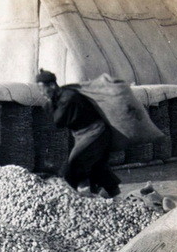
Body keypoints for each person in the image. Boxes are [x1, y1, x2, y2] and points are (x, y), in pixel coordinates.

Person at [36, 69, 121, 197]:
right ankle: (111, 191)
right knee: (95, 165)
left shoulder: (68, 98)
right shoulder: (60, 98)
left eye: (42, 89)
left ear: (52, 86)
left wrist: (50, 103)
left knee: (73, 165)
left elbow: (58, 121)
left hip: (96, 133)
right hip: (84, 135)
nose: (41, 93)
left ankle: (78, 195)